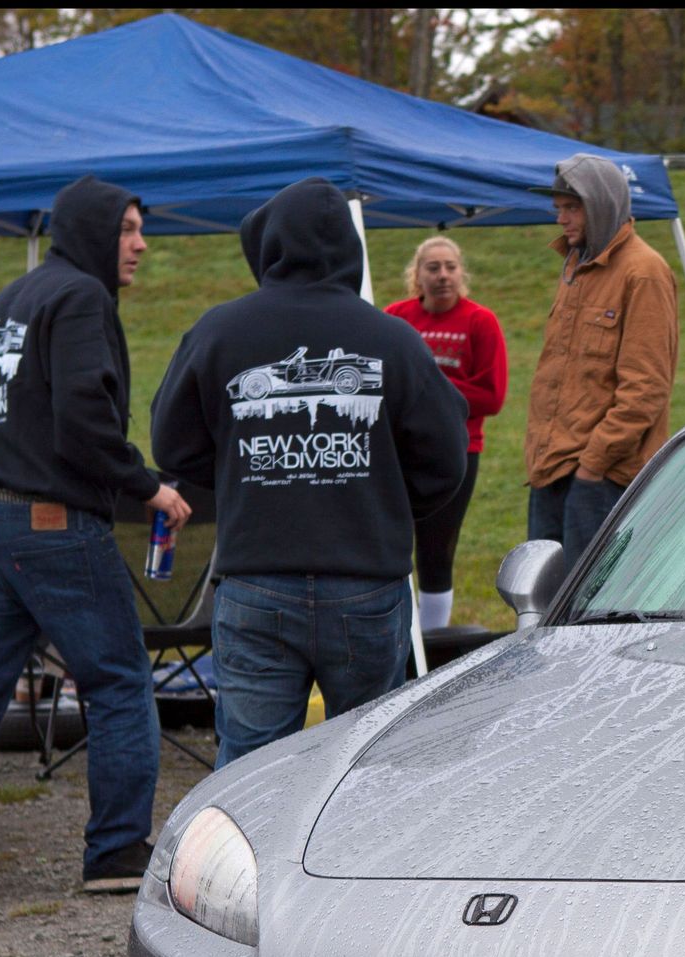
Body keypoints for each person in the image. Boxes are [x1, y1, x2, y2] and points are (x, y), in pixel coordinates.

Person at [0, 176, 192, 909]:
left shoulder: (10, 299)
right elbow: (82, 419)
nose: (141, 245)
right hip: (49, 521)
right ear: (91, 231)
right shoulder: (81, 297)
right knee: (118, 680)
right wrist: (146, 485)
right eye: (128, 229)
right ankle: (116, 850)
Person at [151, 178, 469, 769]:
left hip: (257, 577)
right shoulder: (393, 338)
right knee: (366, 765)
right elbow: (446, 458)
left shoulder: (219, 331)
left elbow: (172, 443)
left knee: (250, 771)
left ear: (269, 244)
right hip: (366, 579)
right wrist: (380, 499)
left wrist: (246, 479)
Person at [522, 153, 679, 570]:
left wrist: (593, 466)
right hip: (552, 469)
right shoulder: (575, 264)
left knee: (591, 602)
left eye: (571, 208)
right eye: (558, 208)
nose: (561, 219)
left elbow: (645, 388)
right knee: (543, 594)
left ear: (601, 205)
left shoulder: (644, 271)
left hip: (601, 477)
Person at [385, 236, 508, 630]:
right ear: (417, 275)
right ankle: (396, 631)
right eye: (433, 267)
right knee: (389, 544)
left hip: (457, 451)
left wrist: (426, 390)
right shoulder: (396, 318)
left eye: (450, 267)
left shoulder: (480, 321)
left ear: (461, 273)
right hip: (397, 452)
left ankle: (432, 637)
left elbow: (491, 396)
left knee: (436, 550)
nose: (442, 276)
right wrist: (439, 391)